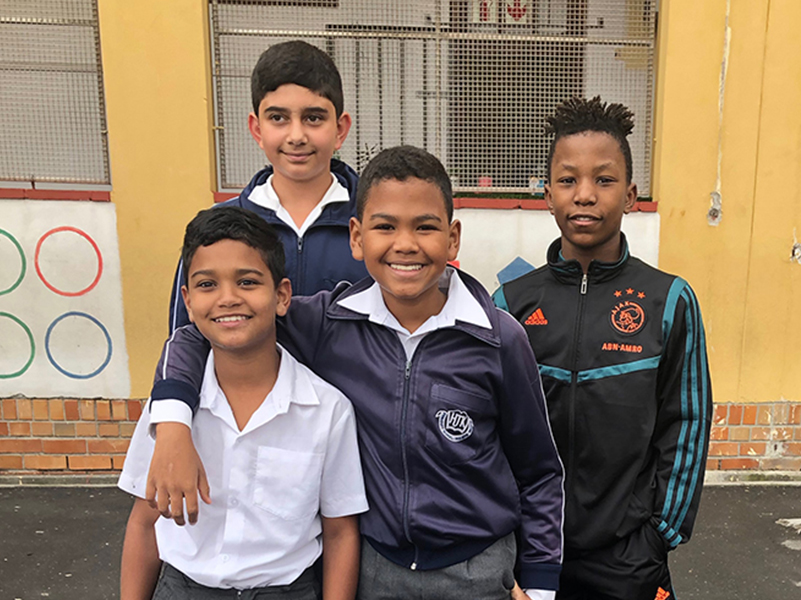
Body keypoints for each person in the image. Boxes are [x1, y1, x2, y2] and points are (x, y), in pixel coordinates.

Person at [146, 146, 564, 600]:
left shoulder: (498, 338)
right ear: (357, 237)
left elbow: (539, 471)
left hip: (477, 572)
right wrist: (172, 424)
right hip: (374, 570)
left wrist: (540, 583)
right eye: (385, 227)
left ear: (453, 238)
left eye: (425, 227)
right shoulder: (328, 324)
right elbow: (204, 333)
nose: (405, 244)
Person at [492, 96, 712, 600]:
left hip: (629, 556)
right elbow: (494, 428)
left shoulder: (668, 300)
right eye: (568, 180)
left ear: (631, 195)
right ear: (548, 194)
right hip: (532, 550)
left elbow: (687, 422)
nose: (585, 195)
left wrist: (659, 535)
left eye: (604, 180)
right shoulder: (510, 303)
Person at [119, 206, 368, 600]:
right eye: (207, 284)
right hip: (184, 588)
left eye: (248, 282)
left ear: (282, 296)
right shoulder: (168, 412)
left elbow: (340, 532)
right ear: (187, 302)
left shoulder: (327, 410)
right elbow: (143, 523)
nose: (228, 298)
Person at [166, 39, 369, 334]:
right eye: (278, 118)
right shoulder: (215, 230)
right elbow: (184, 338)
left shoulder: (377, 225)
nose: (296, 136)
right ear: (257, 129)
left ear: (340, 129)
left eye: (313, 118)